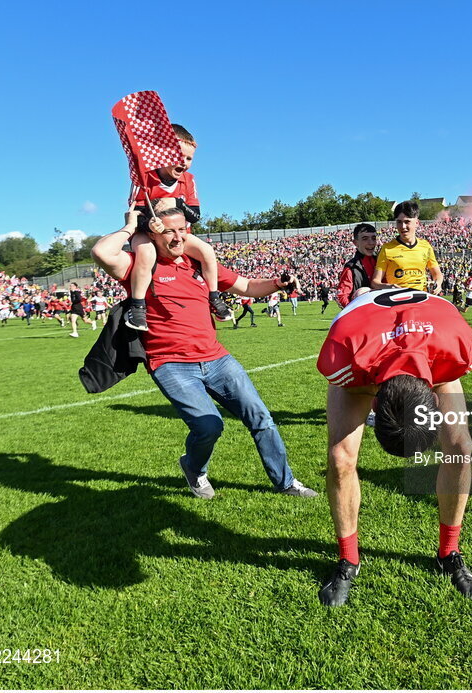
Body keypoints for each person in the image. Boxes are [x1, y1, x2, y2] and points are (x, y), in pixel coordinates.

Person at [90, 208, 318, 499]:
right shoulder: (139, 266)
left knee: (260, 417)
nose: (177, 237)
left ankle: (285, 482)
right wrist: (131, 226)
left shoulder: (198, 263)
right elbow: (101, 252)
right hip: (171, 364)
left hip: (217, 358)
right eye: (168, 231)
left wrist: (277, 284)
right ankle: (194, 468)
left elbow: (246, 286)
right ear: (153, 234)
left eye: (182, 230)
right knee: (209, 426)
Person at [316, 287, 472, 607]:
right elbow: (347, 377)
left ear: (433, 398)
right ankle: (349, 559)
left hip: (433, 342)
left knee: (461, 448)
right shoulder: (343, 354)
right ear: (374, 405)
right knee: (340, 459)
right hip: (362, 341)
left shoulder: (457, 350)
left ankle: (449, 552)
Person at [124, 124, 232, 331]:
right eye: (179, 156)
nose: (185, 162)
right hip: (146, 234)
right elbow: (133, 215)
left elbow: (196, 215)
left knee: (207, 251)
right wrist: (149, 223)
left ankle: (214, 297)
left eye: (189, 158)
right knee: (146, 253)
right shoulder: (142, 177)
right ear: (162, 154)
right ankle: (137, 307)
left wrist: (177, 203)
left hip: (178, 235)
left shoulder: (188, 180)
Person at [371, 200, 443, 294]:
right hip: (398, 299)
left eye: (407, 222)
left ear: (417, 223)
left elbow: (437, 274)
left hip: (421, 298)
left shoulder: (426, 246)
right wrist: (388, 287)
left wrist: (438, 283)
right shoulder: (387, 248)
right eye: (399, 222)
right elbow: (375, 282)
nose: (403, 226)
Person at [337, 223, 377, 308]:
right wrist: (354, 310)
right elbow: (342, 296)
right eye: (365, 239)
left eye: (373, 238)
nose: (371, 242)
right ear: (355, 243)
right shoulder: (351, 268)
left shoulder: (382, 261)